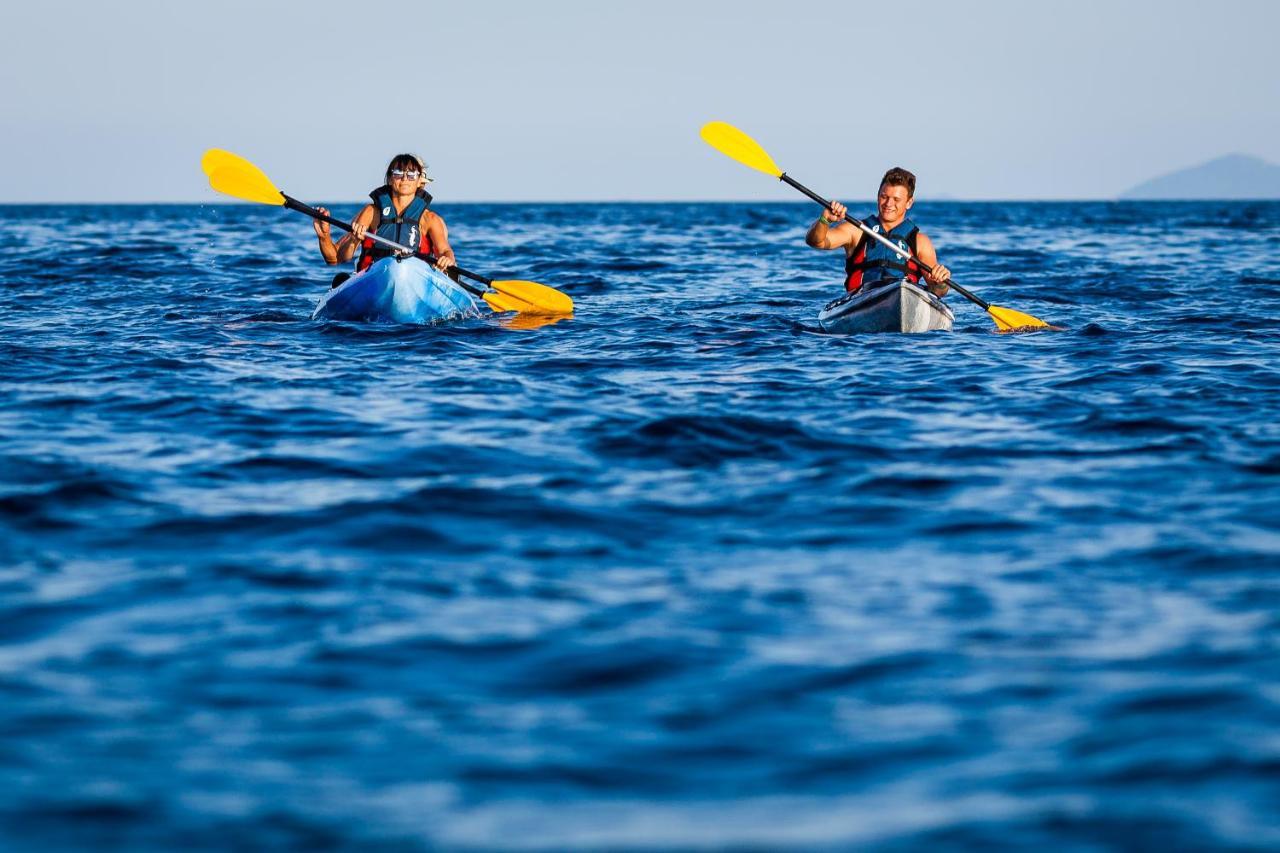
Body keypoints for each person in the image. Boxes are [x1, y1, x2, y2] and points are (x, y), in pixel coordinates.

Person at [312, 153, 458, 286]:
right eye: (398, 173)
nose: (405, 178)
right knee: (340, 280)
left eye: (412, 174)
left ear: (420, 180)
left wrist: (447, 259)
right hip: (374, 281)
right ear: (389, 178)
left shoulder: (431, 219)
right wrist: (324, 236)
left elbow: (445, 251)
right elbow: (335, 259)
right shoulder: (371, 213)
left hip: (417, 282)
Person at [805, 167, 950, 297]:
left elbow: (938, 290)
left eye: (896, 199)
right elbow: (816, 241)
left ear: (909, 203)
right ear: (878, 195)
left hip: (905, 298)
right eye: (884, 196)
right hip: (861, 300)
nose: (888, 204)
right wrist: (825, 220)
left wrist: (941, 282)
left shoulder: (920, 241)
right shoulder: (856, 230)